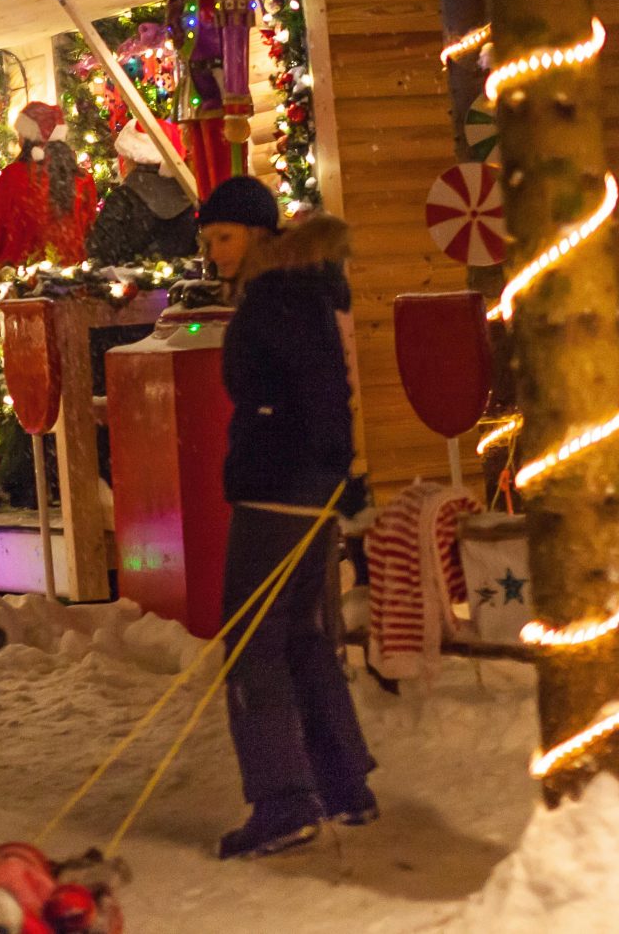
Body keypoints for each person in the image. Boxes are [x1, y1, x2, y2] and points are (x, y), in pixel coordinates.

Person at [199, 177, 375, 860]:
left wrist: (327, 464)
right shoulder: (300, 286)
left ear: (260, 234)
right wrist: (341, 476)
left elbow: (321, 391)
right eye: (209, 239)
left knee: (251, 642)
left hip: (278, 487)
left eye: (225, 237)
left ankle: (282, 799)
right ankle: (342, 783)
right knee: (300, 634)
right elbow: (331, 389)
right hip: (308, 485)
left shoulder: (278, 295)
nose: (214, 253)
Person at [0, 102, 97, 275]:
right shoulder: (83, 180)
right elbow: (89, 235)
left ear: (28, 137)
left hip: (22, 286)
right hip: (71, 282)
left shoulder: (12, 178)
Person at [83, 123, 198, 267]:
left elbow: (99, 256)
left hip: (131, 287)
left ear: (131, 158)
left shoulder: (123, 199)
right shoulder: (192, 197)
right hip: (182, 287)